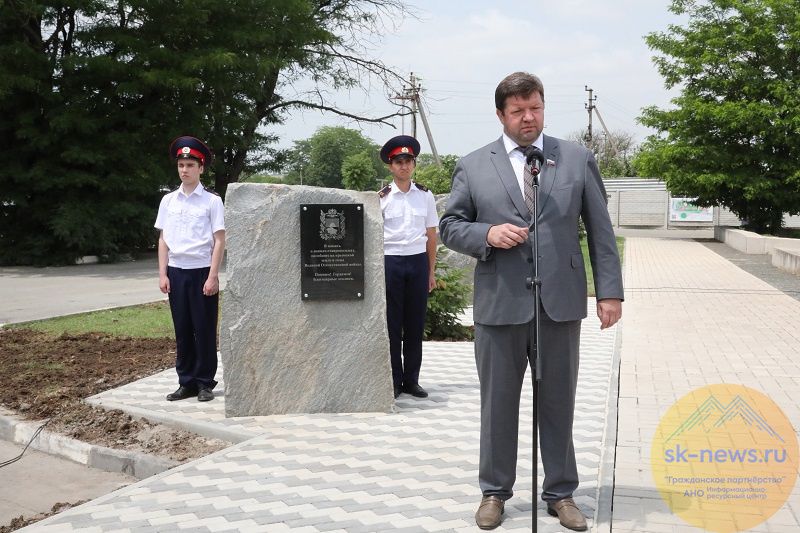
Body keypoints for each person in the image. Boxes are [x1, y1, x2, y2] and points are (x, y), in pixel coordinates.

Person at [439, 72, 623, 531]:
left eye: (535, 108)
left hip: (558, 303)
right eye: (518, 111)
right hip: (499, 304)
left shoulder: (575, 158)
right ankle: (494, 492)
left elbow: (600, 229)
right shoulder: (473, 165)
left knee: (559, 402)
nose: (528, 118)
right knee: (497, 405)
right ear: (500, 115)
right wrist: (487, 233)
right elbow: (450, 226)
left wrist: (610, 292)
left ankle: (561, 493)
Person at [155, 136, 226, 402]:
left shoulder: (211, 201)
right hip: (176, 271)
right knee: (182, 330)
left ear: (201, 168)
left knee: (204, 328)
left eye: (190, 165)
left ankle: (205, 382)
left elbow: (219, 240)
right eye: (181, 165)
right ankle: (186, 382)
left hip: (201, 271)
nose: (184, 170)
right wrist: (163, 273)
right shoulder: (168, 201)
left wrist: (213, 276)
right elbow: (163, 239)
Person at [378, 135, 438, 400]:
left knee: (415, 323)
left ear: (414, 164)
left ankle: (412, 380)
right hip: (390, 261)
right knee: (392, 324)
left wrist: (431, 271)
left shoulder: (425, 196)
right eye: (399, 162)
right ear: (390, 166)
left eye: (408, 161)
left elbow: (431, 235)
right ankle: (393, 380)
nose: (404, 166)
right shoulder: (382, 198)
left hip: (417, 262)